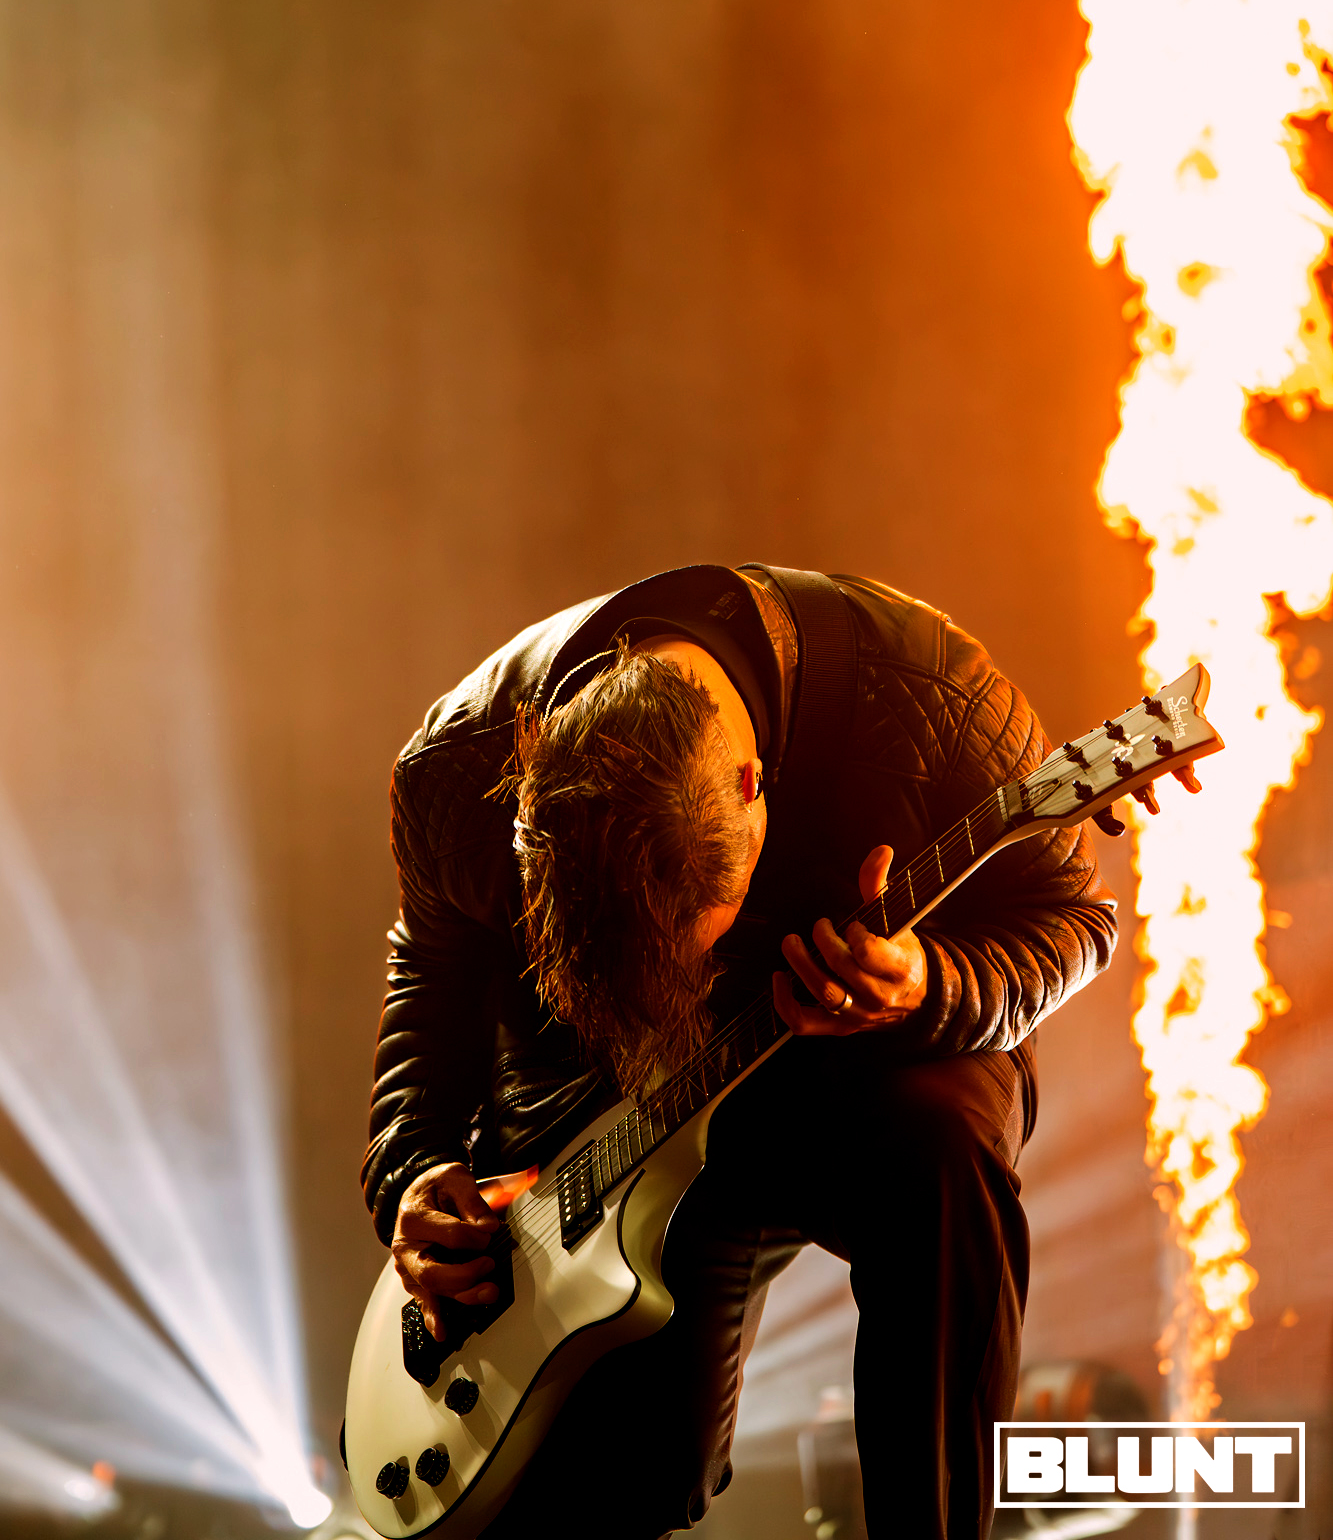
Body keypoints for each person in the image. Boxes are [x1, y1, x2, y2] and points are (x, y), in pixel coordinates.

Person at [362, 564, 1119, 1539]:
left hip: (867, 1079)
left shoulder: (937, 690)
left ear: (753, 788)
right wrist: (413, 1166)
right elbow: (430, 974)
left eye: (693, 943)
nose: (678, 984)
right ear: (525, 805)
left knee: (943, 1146)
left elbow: (1073, 919)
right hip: (609, 1119)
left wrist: (927, 983)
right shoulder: (453, 767)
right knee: (622, 1478)